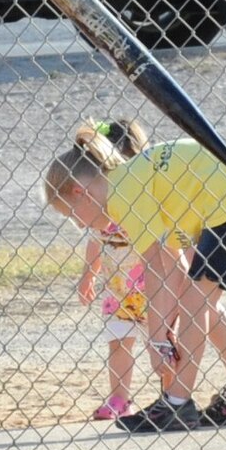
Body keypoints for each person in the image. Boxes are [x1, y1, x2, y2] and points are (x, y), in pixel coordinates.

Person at [43, 122, 226, 432]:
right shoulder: (133, 183)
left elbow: (153, 267)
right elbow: (170, 266)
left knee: (195, 302)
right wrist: (164, 329)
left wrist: (156, 338)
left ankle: (177, 404)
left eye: (73, 215)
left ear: (79, 192)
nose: (81, 225)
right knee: (200, 300)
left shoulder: (123, 194)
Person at [67, 119, 172, 421]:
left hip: (153, 289)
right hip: (118, 291)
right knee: (118, 345)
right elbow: (96, 241)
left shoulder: (148, 196)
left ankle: (172, 395)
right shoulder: (101, 204)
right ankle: (119, 399)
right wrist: (89, 274)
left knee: (163, 342)